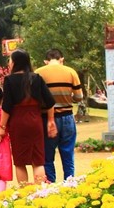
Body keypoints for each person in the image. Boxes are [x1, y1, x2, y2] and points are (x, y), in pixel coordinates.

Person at [0, 49, 56, 185]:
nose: (9, 63)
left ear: (15, 63)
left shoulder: (9, 80)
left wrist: (1, 127)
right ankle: (40, 192)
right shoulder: (37, 78)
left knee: (20, 161)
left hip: (18, 123)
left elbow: (6, 106)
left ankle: (25, 193)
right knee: (38, 160)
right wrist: (51, 120)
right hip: (35, 121)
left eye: (10, 60)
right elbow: (50, 102)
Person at [36, 48, 84, 182]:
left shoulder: (38, 73)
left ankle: (51, 185)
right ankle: (69, 184)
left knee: (48, 157)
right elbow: (79, 97)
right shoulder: (71, 72)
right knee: (68, 155)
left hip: (46, 119)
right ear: (61, 59)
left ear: (46, 61)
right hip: (67, 117)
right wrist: (69, 98)